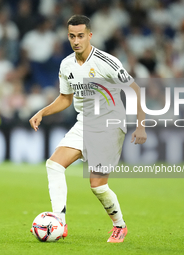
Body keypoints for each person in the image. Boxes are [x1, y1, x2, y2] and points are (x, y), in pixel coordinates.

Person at [29, 15, 147, 243]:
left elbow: (135, 90)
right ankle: (59, 222)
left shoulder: (107, 62)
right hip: (85, 123)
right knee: (54, 165)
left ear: (90, 36)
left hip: (110, 124)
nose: (76, 41)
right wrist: (42, 111)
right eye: (72, 36)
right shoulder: (66, 65)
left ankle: (119, 225)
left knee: (97, 186)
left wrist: (140, 125)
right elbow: (65, 99)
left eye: (81, 36)